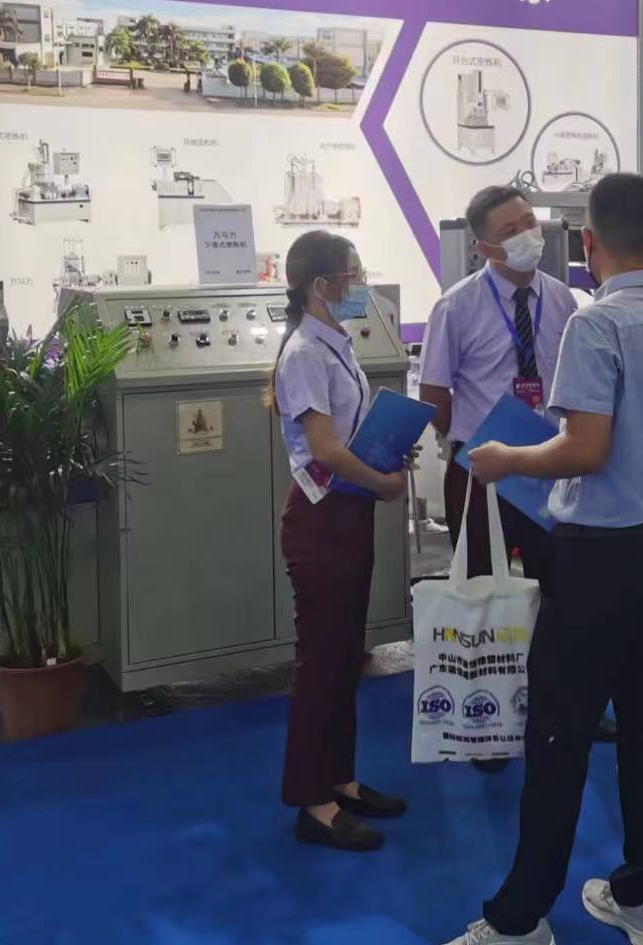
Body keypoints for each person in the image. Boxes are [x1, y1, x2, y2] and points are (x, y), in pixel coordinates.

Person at [448, 173, 643, 945]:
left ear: (590, 242)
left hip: (597, 558)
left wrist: (507, 458)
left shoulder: (595, 324)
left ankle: (520, 917)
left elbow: (585, 448)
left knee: (558, 734)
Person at [419, 185, 576, 774]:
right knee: (483, 590)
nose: (527, 235)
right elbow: (435, 394)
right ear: (483, 246)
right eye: (510, 230)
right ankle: (488, 720)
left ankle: (563, 704)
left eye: (529, 222)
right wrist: (469, 441)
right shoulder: (455, 307)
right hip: (482, 470)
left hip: (548, 463)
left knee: (560, 590)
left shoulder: (561, 298)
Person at [269, 230, 410, 853]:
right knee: (321, 661)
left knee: (347, 653)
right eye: (353, 274)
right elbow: (325, 449)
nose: (362, 283)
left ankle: (341, 777)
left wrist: (386, 452)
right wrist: (383, 481)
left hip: (350, 511)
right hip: (321, 518)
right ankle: (313, 800)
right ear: (320, 285)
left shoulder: (337, 343)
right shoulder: (304, 351)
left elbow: (348, 434)